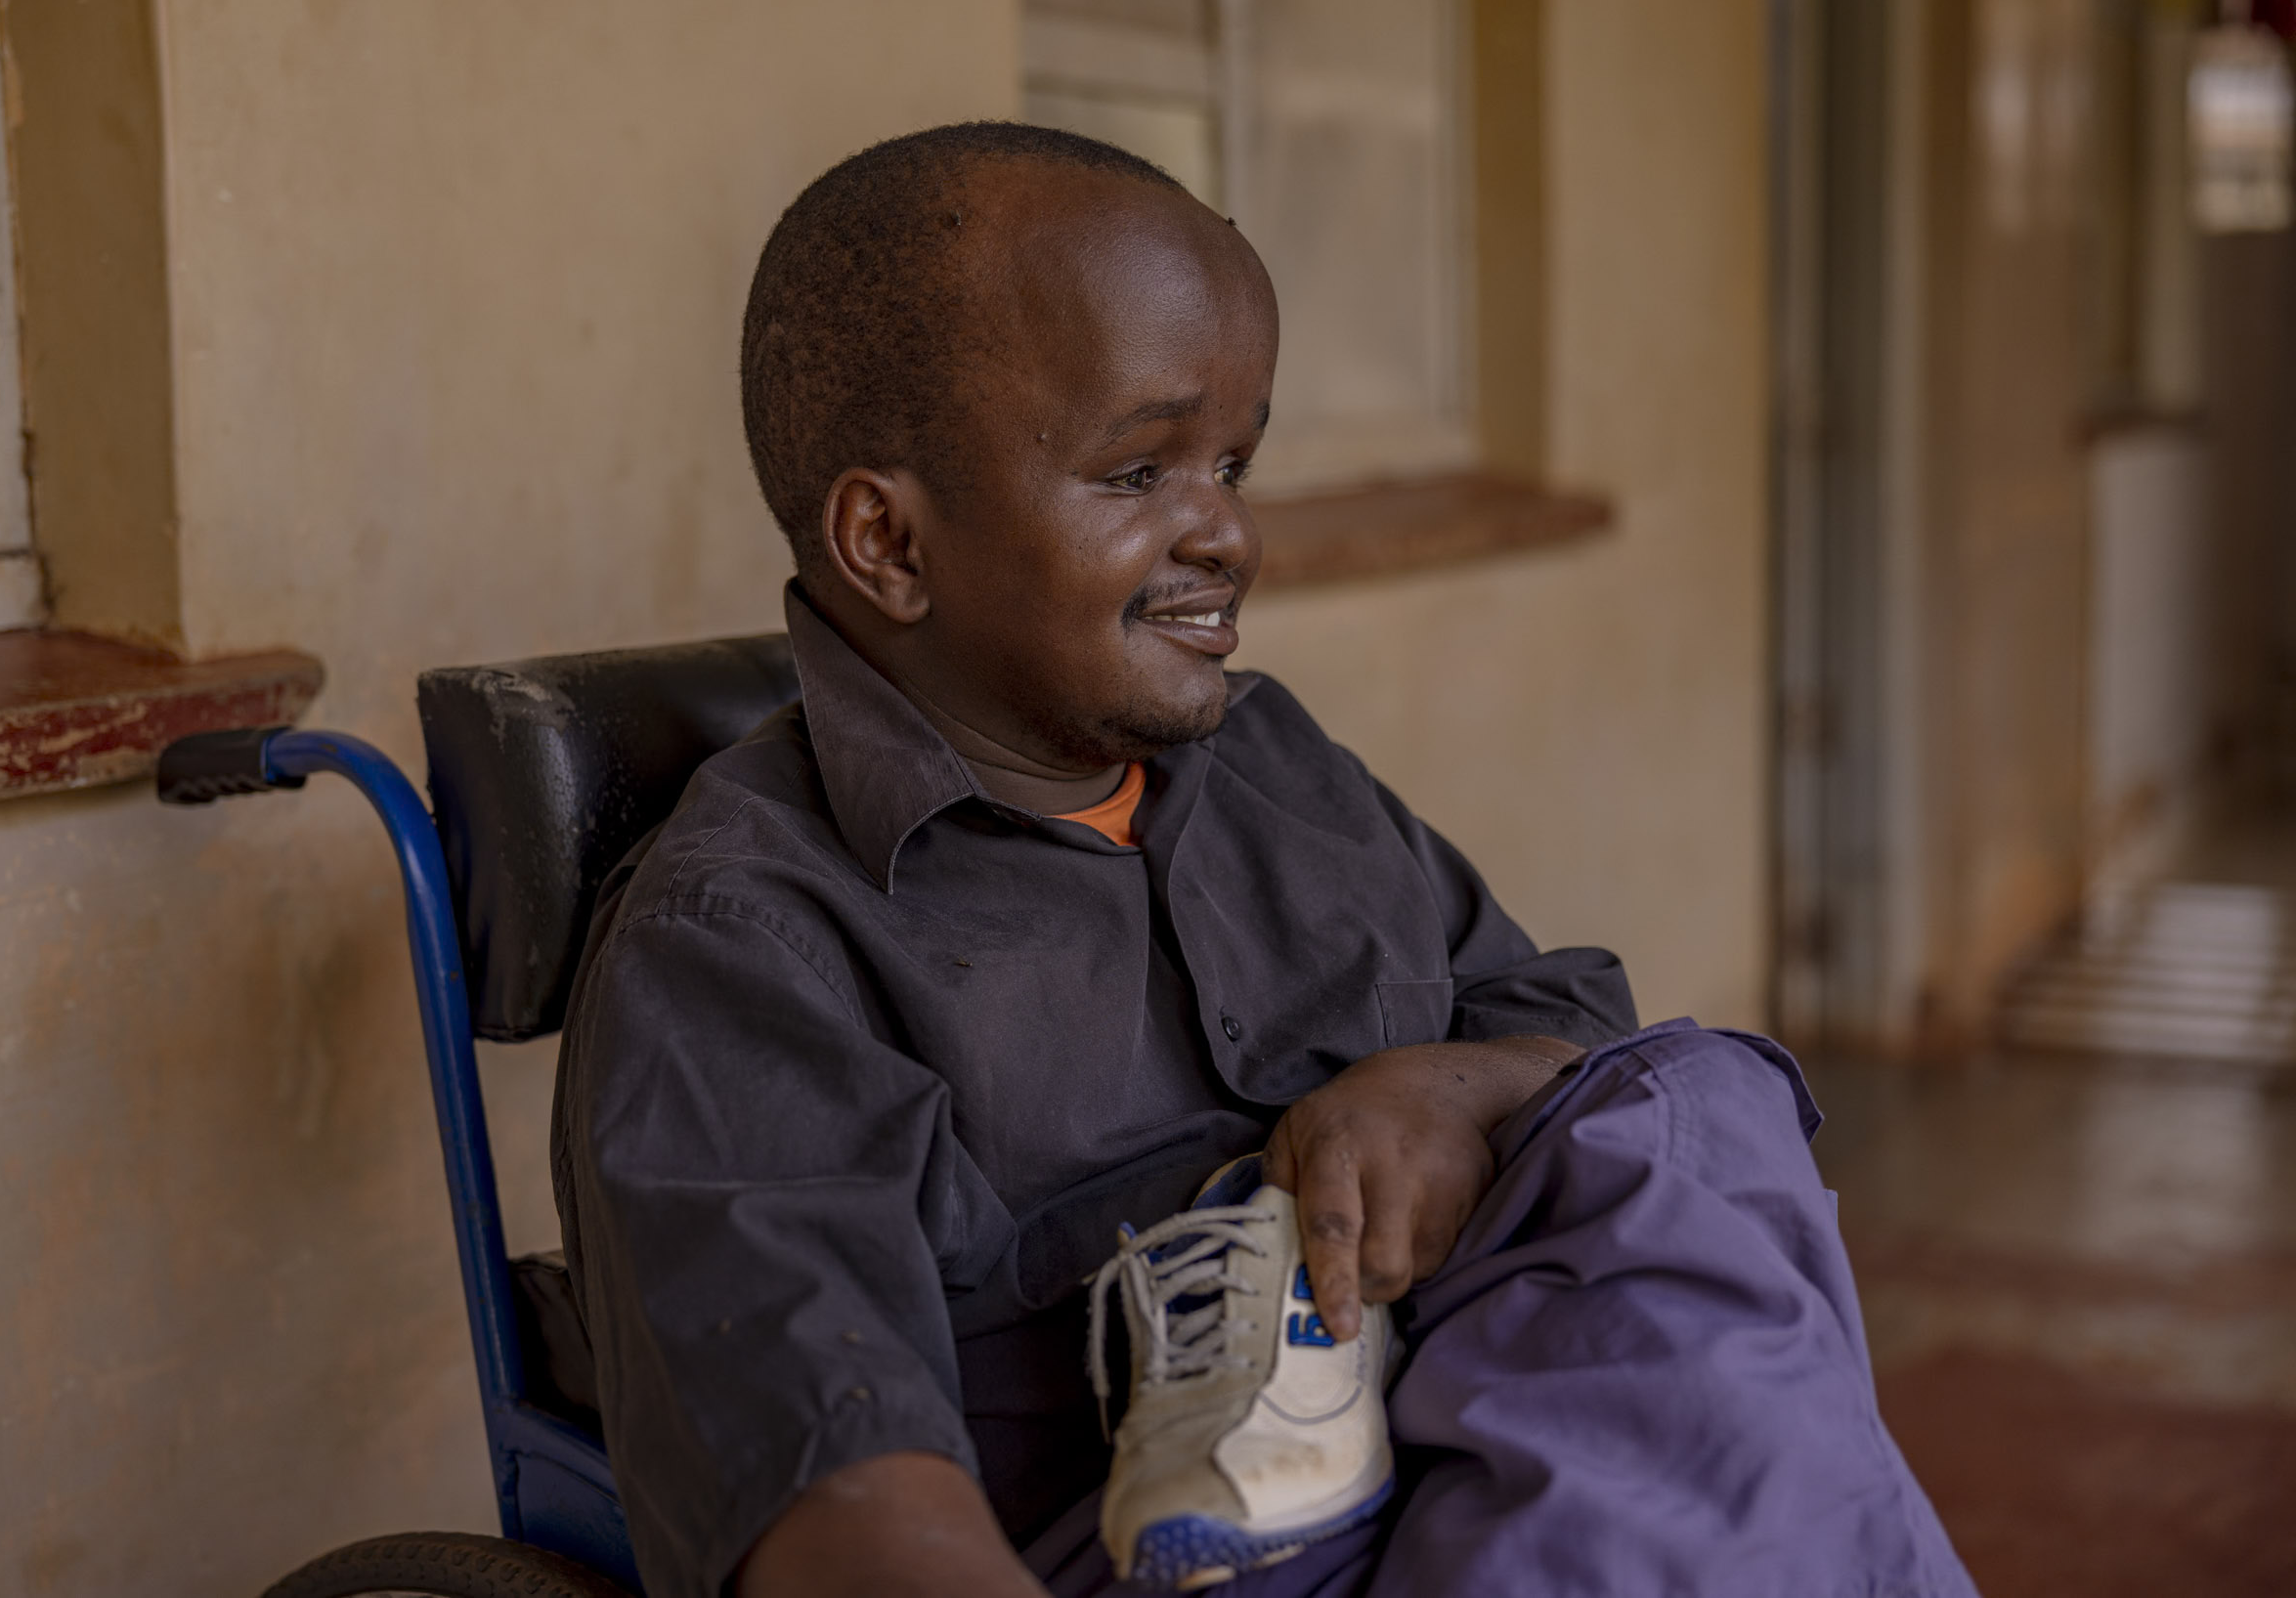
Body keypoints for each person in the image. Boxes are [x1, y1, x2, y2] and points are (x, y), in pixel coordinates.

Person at [553, 122, 1972, 1598]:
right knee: (1733, 1381)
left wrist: (1443, 1085)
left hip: (1478, 1433)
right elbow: (848, 1516)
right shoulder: (743, 949)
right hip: (1184, 1553)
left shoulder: (1270, 768)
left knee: (1697, 1110)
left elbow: (1568, 1029)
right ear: (889, 544)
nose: (1224, 530)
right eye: (1138, 470)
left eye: (1233, 460)